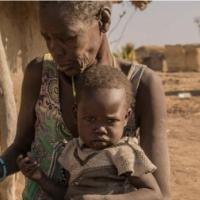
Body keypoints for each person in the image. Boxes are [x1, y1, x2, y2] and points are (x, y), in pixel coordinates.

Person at [0, 1, 170, 200]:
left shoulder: (141, 85)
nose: (56, 50)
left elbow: (160, 194)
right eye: (47, 37)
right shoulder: (40, 73)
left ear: (104, 21)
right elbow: (22, 147)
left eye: (68, 37)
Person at [17, 64, 162, 200]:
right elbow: (67, 194)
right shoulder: (72, 152)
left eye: (110, 121)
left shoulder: (124, 153)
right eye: (91, 119)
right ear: (76, 114)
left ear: (126, 117)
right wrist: (39, 177)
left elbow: (153, 193)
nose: (100, 129)